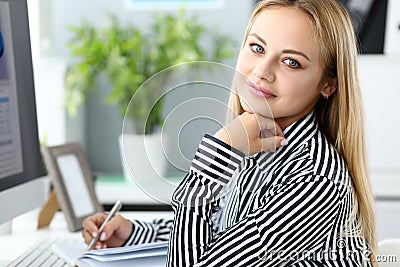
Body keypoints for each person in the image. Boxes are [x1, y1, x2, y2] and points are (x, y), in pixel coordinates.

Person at [82, 0, 377, 266]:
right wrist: (134, 233)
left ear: (328, 85)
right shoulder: (258, 140)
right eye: (257, 48)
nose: (262, 71)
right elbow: (220, 229)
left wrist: (219, 151)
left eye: (291, 62)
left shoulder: (314, 181)